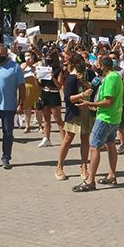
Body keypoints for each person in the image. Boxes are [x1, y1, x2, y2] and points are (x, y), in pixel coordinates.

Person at [72, 56, 123, 192]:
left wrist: (90, 103)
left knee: (94, 147)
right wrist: (96, 106)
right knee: (111, 145)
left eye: (98, 65)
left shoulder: (111, 78)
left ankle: (90, 181)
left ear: (104, 66)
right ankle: (112, 175)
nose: (97, 68)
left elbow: (108, 100)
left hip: (106, 118)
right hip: (113, 117)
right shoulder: (116, 76)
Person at [55, 53, 95, 181]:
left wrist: (84, 82)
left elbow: (95, 89)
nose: (81, 66)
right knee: (67, 139)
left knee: (85, 140)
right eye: (78, 64)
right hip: (74, 114)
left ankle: (84, 167)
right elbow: (67, 99)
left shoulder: (87, 75)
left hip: (86, 113)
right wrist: (81, 95)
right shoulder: (71, 79)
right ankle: (59, 166)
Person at [36, 49, 64, 147]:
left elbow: (60, 86)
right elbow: (40, 85)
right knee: (46, 119)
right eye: (47, 57)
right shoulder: (44, 68)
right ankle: (46, 138)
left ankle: (64, 139)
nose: (48, 59)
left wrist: (52, 77)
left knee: (58, 119)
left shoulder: (58, 70)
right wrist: (36, 78)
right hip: (44, 93)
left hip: (54, 94)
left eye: (50, 58)